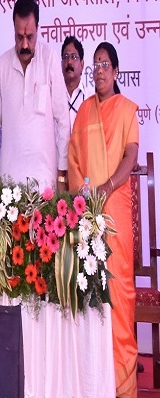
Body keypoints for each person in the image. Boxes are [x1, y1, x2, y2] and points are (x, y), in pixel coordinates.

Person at [67, 42, 138, 397]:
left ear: (116, 70)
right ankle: (93, 381)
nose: (99, 70)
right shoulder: (83, 113)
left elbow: (131, 156)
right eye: (95, 64)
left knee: (119, 296)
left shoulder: (127, 110)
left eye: (105, 64)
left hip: (116, 214)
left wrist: (107, 187)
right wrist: (84, 199)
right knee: (90, 296)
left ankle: (123, 383)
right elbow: (74, 161)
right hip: (89, 220)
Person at [0, 0, 70, 190]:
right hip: (9, 186)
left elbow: (63, 121)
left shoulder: (49, 59)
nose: (24, 45)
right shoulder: (3, 65)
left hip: (46, 182)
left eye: (29, 37)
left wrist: (61, 174)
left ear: (38, 28)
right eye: (19, 37)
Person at [61, 36, 91, 130]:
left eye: (73, 57)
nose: (69, 62)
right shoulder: (53, 96)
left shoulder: (90, 98)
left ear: (82, 64)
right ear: (61, 64)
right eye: (65, 57)